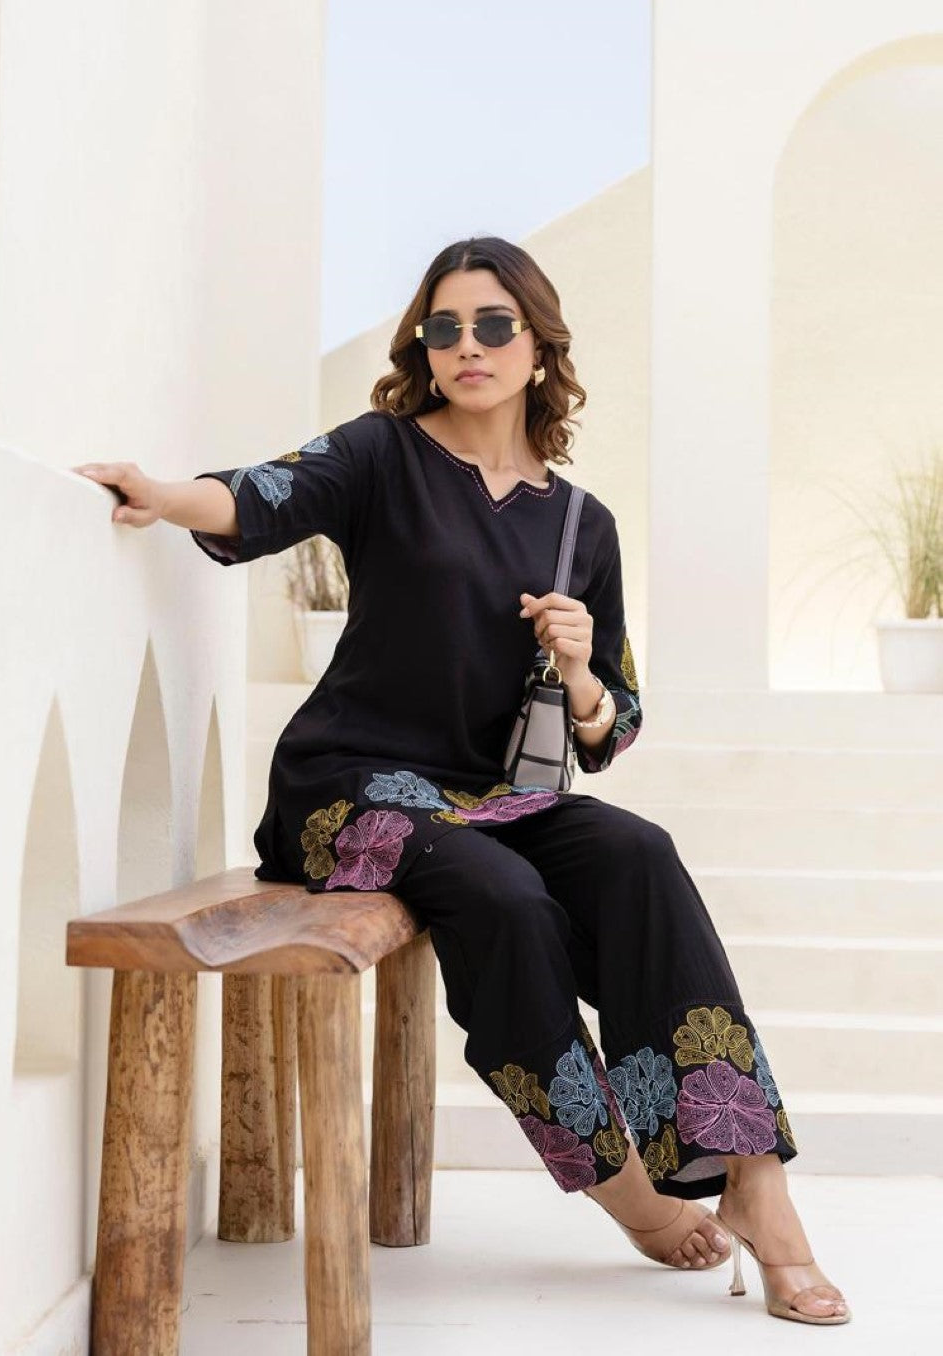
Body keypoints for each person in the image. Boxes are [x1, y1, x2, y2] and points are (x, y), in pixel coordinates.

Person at [72, 236, 849, 1326]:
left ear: (540, 347)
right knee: (504, 897)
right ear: (424, 348)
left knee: (639, 853)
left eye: (493, 325)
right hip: (346, 791)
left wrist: (580, 672)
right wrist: (161, 493)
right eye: (444, 328)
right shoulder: (383, 454)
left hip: (492, 798)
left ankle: (755, 1182)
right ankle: (625, 1188)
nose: (467, 345)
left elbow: (613, 723)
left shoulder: (581, 526)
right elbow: (265, 493)